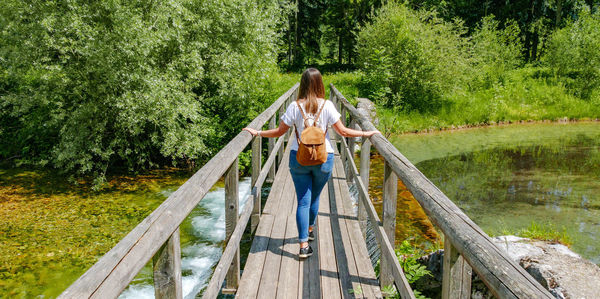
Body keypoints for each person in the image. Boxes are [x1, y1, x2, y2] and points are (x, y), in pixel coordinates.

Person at [243, 68, 380, 258]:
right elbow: (344, 132)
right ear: (319, 84)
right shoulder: (328, 106)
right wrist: (366, 134)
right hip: (324, 158)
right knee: (315, 198)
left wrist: (258, 133)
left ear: (303, 84)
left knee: (303, 201)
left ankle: (303, 245)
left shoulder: (294, 107)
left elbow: (278, 132)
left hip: (298, 158)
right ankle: (309, 229)